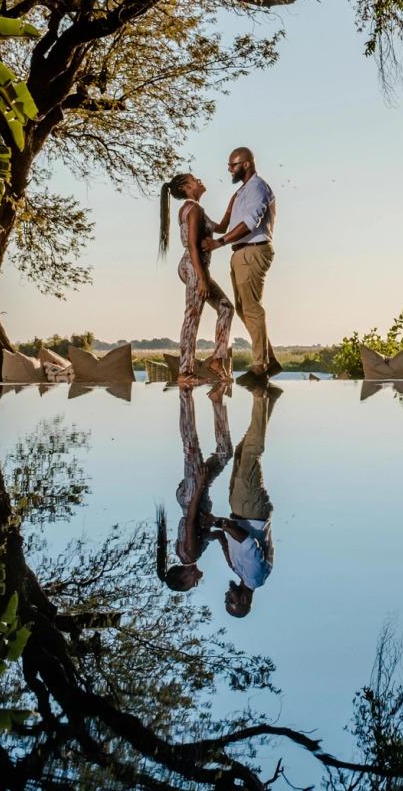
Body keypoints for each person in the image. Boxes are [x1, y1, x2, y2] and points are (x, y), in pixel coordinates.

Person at [202, 147, 280, 378]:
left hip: (253, 251)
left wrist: (220, 242)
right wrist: (197, 215)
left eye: (232, 165)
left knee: (252, 308)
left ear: (246, 164)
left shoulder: (257, 188)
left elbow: (250, 223)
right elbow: (225, 224)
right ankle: (270, 361)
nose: (229, 169)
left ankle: (259, 367)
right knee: (244, 309)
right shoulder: (241, 193)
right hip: (240, 252)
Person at [154, 383, 232, 591]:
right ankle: (217, 399)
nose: (196, 583)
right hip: (194, 494)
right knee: (224, 454)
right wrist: (227, 550)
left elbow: (190, 520)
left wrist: (199, 486)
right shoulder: (193, 554)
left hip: (193, 495)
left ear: (183, 577)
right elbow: (215, 534)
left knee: (190, 443)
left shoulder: (188, 554)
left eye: (191, 584)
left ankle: (185, 391)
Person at [159, 172, 235, 381]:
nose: (199, 180)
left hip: (197, 267)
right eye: (194, 179)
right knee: (192, 317)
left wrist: (231, 204)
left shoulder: (196, 209)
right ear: (185, 187)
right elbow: (192, 245)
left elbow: (220, 228)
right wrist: (202, 279)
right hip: (194, 267)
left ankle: (217, 360)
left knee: (226, 308)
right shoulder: (193, 209)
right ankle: (185, 372)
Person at [214, 381, 279, 616]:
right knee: (252, 452)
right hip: (251, 509)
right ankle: (260, 395)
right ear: (241, 601)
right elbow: (248, 542)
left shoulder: (241, 573)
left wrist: (214, 530)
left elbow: (227, 540)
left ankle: (270, 397)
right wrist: (223, 525)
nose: (226, 596)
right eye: (229, 601)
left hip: (241, 508)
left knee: (242, 451)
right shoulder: (255, 577)